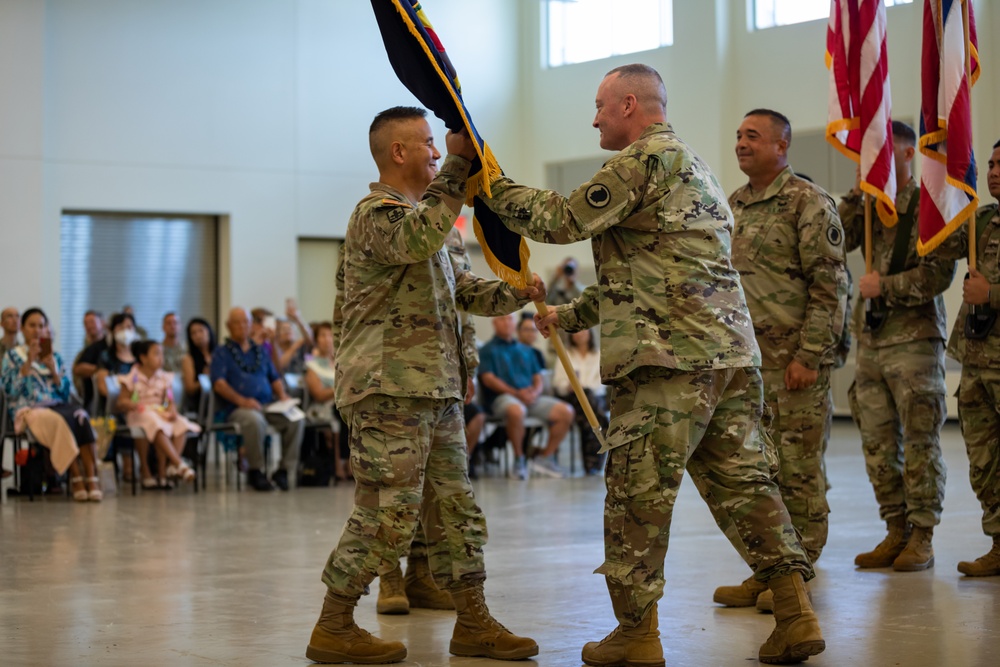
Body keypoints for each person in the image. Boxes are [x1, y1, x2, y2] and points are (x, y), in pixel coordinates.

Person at [478, 64, 824, 665]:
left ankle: (637, 633)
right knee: (746, 486)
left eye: (600, 107)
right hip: (728, 358)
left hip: (669, 363)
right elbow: (655, 269)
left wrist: (489, 184)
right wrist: (572, 314)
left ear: (630, 104)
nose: (594, 119)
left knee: (637, 496)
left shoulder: (644, 160)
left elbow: (562, 219)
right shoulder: (696, 167)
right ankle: (795, 614)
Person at [305, 106, 540, 664]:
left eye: (441, 145)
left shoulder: (436, 224)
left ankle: (474, 621)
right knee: (387, 512)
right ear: (398, 153)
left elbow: (465, 293)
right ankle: (334, 624)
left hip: (435, 388)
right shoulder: (378, 215)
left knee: (456, 511)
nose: (439, 153)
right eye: (430, 144)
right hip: (388, 389)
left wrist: (517, 294)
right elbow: (416, 237)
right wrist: (460, 171)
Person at [715, 108, 849, 611]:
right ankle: (769, 569)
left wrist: (811, 356)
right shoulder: (735, 205)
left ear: (781, 145)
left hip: (795, 365)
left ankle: (800, 576)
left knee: (798, 470)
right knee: (756, 474)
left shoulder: (808, 202)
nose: (742, 143)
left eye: (753, 135)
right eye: (738, 135)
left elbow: (830, 286)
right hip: (748, 366)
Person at [838, 120, 954, 572]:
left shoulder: (928, 205)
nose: (874, 163)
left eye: (882, 153)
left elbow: (939, 275)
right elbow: (838, 240)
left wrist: (883, 286)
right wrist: (855, 193)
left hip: (915, 340)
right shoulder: (867, 206)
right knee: (877, 443)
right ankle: (895, 528)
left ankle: (922, 535)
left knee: (921, 439)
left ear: (908, 155)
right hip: (872, 338)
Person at [945, 139, 1000, 576]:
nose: (995, 171)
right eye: (992, 164)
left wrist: (992, 294)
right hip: (978, 360)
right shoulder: (982, 221)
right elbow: (938, 245)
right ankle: (999, 543)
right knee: (984, 462)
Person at [2, 308, 101, 501]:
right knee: (57, 420)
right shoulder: (12, 356)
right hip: (28, 408)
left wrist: (54, 372)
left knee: (81, 415)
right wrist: (28, 363)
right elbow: (10, 391)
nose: (37, 330)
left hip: (57, 405)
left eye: (41, 325)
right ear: (22, 328)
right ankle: (76, 478)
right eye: (32, 325)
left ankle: (92, 477)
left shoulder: (55, 357)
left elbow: (65, 393)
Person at [210, 307, 304, 491]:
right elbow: (219, 384)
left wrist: (283, 396)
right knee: (254, 420)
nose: (243, 326)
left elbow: (274, 377)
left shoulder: (260, 351)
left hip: (268, 405)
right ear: (229, 326)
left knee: (297, 419)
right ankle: (256, 471)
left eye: (246, 321)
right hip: (238, 408)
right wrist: (242, 401)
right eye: (237, 322)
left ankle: (284, 471)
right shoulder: (222, 352)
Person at [479, 313, 574, 480]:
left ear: (514, 323)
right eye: (503, 319)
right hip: (503, 398)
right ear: (495, 323)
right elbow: (488, 379)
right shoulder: (487, 350)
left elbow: (538, 377)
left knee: (565, 411)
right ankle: (519, 460)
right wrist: (516, 393)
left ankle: (545, 457)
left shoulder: (526, 350)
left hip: (530, 397)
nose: (507, 322)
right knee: (517, 411)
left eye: (510, 319)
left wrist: (535, 393)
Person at [117, 340, 199, 488]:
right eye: (156, 354)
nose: (161, 358)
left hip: (159, 413)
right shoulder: (132, 377)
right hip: (139, 413)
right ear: (143, 358)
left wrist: (171, 410)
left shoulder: (164, 377)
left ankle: (166, 469)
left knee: (181, 424)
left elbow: (169, 401)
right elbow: (122, 401)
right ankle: (178, 463)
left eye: (162, 354)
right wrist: (131, 403)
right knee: (156, 424)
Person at [552, 327, 609, 475]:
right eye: (576, 331)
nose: (580, 334)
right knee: (593, 415)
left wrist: (584, 388)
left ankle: (592, 466)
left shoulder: (599, 355)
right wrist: (571, 387)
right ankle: (593, 464)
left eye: (583, 330)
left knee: (587, 418)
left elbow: (602, 383)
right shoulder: (565, 355)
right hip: (573, 398)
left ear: (590, 333)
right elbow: (558, 383)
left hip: (595, 398)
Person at [303, 321, 349, 482]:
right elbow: (319, 394)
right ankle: (340, 465)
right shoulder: (311, 364)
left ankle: (352, 463)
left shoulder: (340, 362)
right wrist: (339, 388)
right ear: (316, 339)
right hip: (321, 407)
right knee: (340, 412)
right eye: (323, 335)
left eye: (330, 335)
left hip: (341, 403)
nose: (327, 339)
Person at [73, 310, 110, 411]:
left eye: (92, 322)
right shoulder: (86, 351)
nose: (89, 326)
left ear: (102, 323)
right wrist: (99, 370)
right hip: (92, 400)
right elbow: (77, 370)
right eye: (86, 323)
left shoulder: (110, 345)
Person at [180, 317, 217, 414]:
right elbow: (190, 388)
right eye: (193, 333)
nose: (198, 335)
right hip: (202, 400)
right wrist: (204, 378)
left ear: (208, 330)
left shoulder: (219, 354)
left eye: (201, 330)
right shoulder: (188, 359)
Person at [274, 298, 314, 375]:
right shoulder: (275, 349)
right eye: (284, 329)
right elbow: (280, 365)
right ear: (277, 334)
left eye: (289, 328)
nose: (287, 331)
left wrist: (297, 319)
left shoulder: (301, 347)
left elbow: (311, 337)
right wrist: (294, 347)